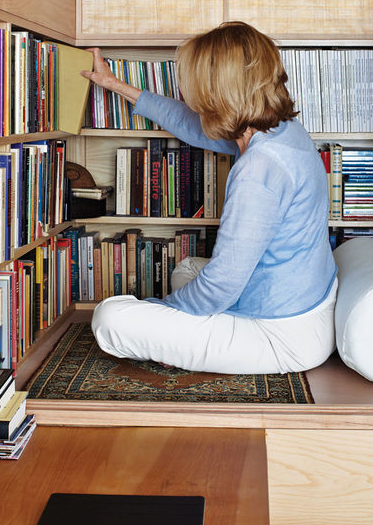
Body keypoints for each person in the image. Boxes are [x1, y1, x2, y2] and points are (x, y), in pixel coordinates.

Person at [81, 21, 337, 374]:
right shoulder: (281, 130)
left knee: (109, 318)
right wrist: (115, 85)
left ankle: (174, 338)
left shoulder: (259, 169)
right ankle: (181, 339)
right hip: (301, 302)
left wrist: (162, 309)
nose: (191, 95)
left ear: (219, 92)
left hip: (281, 335)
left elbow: (219, 289)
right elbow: (187, 123)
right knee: (186, 269)